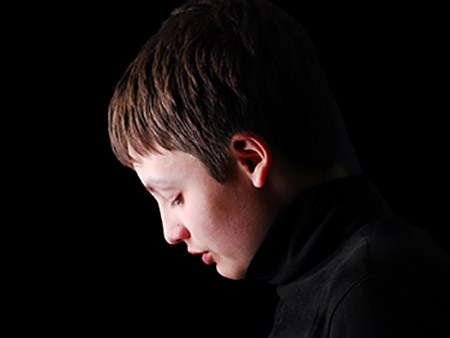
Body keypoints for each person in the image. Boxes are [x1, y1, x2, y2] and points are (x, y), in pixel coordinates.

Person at [108, 0, 450, 336]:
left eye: (175, 197)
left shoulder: (371, 295)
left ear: (251, 160)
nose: (171, 233)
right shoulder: (322, 282)